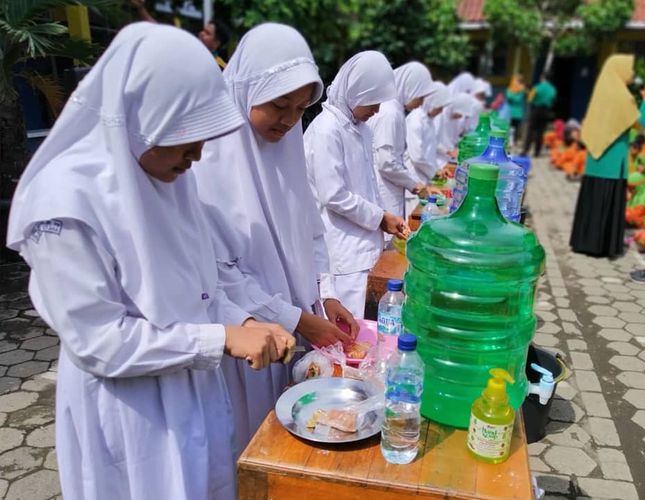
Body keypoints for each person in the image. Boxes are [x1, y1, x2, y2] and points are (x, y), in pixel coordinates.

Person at [5, 23, 295, 499]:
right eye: (188, 139)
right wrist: (220, 337)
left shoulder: (169, 179)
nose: (198, 156)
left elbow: (201, 288)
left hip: (191, 390)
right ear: (144, 117)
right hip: (131, 407)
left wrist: (243, 320)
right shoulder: (65, 204)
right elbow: (100, 341)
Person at [192, 23, 359, 450]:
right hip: (247, 340)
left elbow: (310, 230)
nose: (288, 120)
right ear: (246, 89)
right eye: (279, 104)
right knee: (250, 443)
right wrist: (297, 319)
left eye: (301, 108)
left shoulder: (287, 145)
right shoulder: (207, 157)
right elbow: (218, 273)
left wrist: (328, 293)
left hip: (300, 325)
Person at [304, 51, 410, 318]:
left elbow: (368, 186)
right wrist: (380, 218)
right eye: (372, 103)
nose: (376, 110)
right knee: (349, 327)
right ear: (355, 92)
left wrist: (384, 219)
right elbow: (334, 195)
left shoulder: (360, 128)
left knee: (365, 328)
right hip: (343, 251)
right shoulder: (327, 129)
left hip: (365, 247)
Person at [570, 55, 645, 258]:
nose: (632, 74)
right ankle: (602, 246)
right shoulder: (622, 96)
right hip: (613, 162)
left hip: (596, 161)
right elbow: (638, 123)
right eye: (629, 69)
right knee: (607, 203)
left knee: (593, 202)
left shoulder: (602, 92)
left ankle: (585, 242)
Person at [369, 62, 438, 219]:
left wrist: (418, 184)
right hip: (383, 192)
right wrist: (416, 185)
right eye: (420, 96)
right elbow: (387, 163)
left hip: (388, 189)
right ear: (409, 88)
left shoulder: (393, 109)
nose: (421, 103)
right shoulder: (389, 113)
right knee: (389, 240)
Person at [129, 0, 230, 69]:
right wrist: (141, 9)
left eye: (207, 33)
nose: (201, 34)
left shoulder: (221, 68)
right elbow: (160, 32)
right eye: (203, 30)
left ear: (217, 43)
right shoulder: (187, 48)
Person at [406, 81, 453, 184]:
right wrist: (435, 172)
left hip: (425, 177)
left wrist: (438, 169)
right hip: (415, 179)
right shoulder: (416, 119)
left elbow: (430, 150)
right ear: (432, 101)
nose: (441, 111)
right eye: (439, 107)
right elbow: (417, 157)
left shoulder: (429, 119)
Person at [435, 93, 477, 165]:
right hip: (437, 159)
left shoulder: (456, 119)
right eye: (460, 113)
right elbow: (433, 141)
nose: (461, 116)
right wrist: (448, 151)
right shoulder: (439, 116)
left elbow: (454, 139)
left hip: (449, 157)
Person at [522, 72, 557, 157]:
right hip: (546, 111)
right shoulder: (553, 89)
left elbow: (530, 99)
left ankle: (526, 150)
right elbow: (553, 100)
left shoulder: (537, 87)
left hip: (536, 110)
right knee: (541, 131)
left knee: (531, 130)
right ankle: (537, 152)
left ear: (543, 78)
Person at [505, 74, 526, 144]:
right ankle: (509, 141)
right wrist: (516, 93)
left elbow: (518, 99)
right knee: (509, 128)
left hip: (518, 113)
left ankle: (514, 141)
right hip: (509, 112)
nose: (518, 83)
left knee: (516, 128)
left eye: (520, 82)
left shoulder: (521, 91)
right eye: (517, 81)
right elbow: (509, 97)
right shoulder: (509, 89)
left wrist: (516, 94)